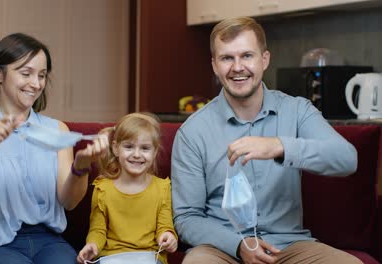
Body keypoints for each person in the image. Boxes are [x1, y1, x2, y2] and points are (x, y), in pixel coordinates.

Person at [171, 16, 362, 264]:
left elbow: (347, 159)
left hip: (289, 246)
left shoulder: (297, 111)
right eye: (227, 58)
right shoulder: (192, 131)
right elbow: (187, 217)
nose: (237, 67)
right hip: (221, 249)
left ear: (265, 59)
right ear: (214, 65)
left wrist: (280, 146)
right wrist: (238, 246)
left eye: (247, 56)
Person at [0, 32, 109, 264]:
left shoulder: (58, 130)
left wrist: (81, 167)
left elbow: (69, 202)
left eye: (42, 75)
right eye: (26, 73)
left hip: (48, 240)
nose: (36, 84)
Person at [77, 113, 178, 264]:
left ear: (155, 152)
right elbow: (98, 230)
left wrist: (168, 237)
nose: (136, 155)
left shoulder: (162, 188)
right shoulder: (103, 188)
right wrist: (92, 245)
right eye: (129, 147)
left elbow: (165, 226)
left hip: (149, 257)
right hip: (110, 258)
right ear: (116, 149)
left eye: (145, 148)